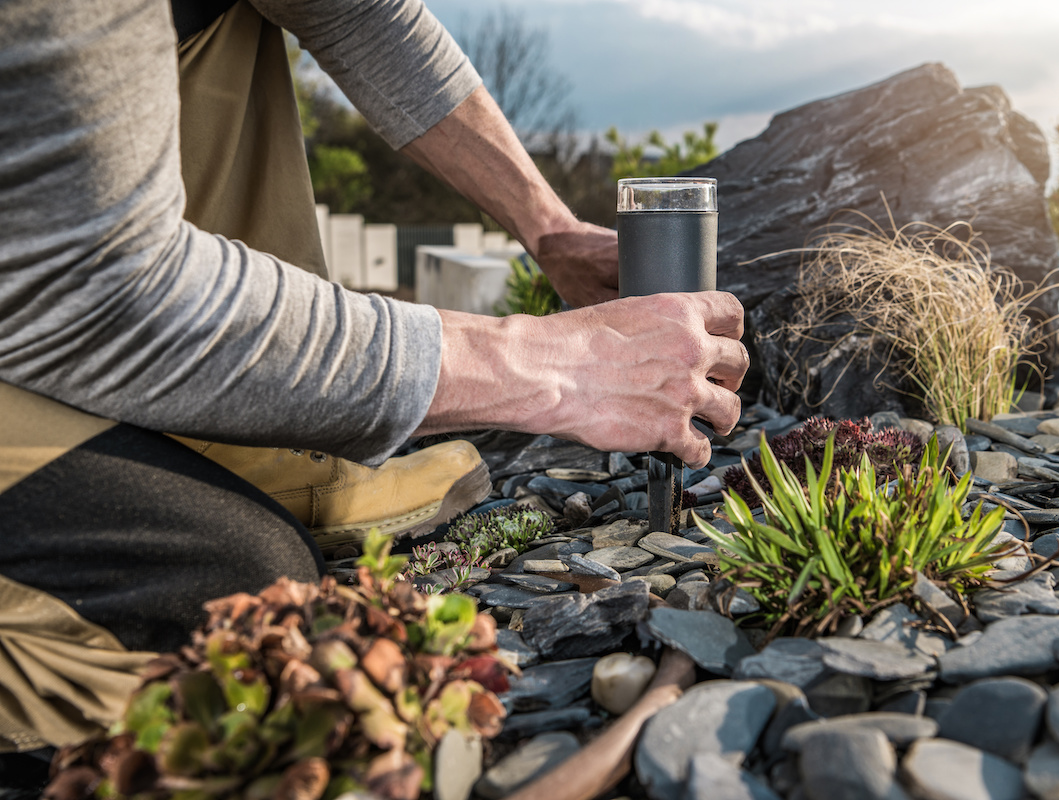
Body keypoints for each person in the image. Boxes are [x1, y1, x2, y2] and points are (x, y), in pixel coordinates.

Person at [0, 0, 748, 759]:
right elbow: (98, 287)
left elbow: (355, 13)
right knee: (221, 606)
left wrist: (549, 230)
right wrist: (550, 367)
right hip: (60, 285)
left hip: (50, 260)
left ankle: (239, 442)